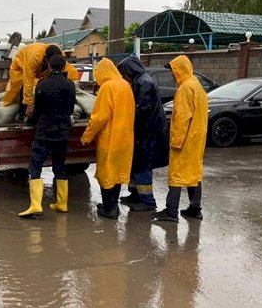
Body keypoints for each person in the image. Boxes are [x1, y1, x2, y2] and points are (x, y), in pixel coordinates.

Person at [19, 54, 77, 218]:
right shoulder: (70, 85)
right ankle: (62, 203)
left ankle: (36, 206)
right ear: (64, 67)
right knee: (59, 166)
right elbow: (71, 110)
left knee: (35, 166)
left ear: (50, 66)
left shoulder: (42, 84)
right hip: (63, 131)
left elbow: (37, 111)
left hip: (45, 131)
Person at [155, 55, 208, 222]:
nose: (171, 74)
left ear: (180, 69)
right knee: (194, 173)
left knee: (177, 174)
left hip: (185, 139)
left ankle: (171, 211)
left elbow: (182, 118)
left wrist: (176, 141)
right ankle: (195, 208)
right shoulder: (197, 86)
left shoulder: (185, 88)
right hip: (196, 138)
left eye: (173, 70)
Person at [81, 58, 135, 219]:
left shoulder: (107, 87)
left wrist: (87, 136)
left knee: (106, 174)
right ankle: (112, 205)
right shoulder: (125, 85)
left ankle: (110, 209)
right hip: (125, 139)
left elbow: (99, 117)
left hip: (110, 138)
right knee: (116, 174)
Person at [117, 55, 169, 212]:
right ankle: (135, 194)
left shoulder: (143, 83)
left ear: (129, 71)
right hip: (144, 131)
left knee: (142, 165)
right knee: (135, 164)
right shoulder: (141, 81)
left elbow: (141, 109)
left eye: (124, 74)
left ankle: (148, 201)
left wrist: (124, 115)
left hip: (148, 132)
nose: (123, 77)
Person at [1, 43, 79, 121]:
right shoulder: (33, 58)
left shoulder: (59, 55)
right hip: (21, 67)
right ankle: (22, 112)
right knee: (22, 85)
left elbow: (66, 72)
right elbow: (28, 82)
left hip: (41, 67)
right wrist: (29, 104)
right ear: (46, 59)